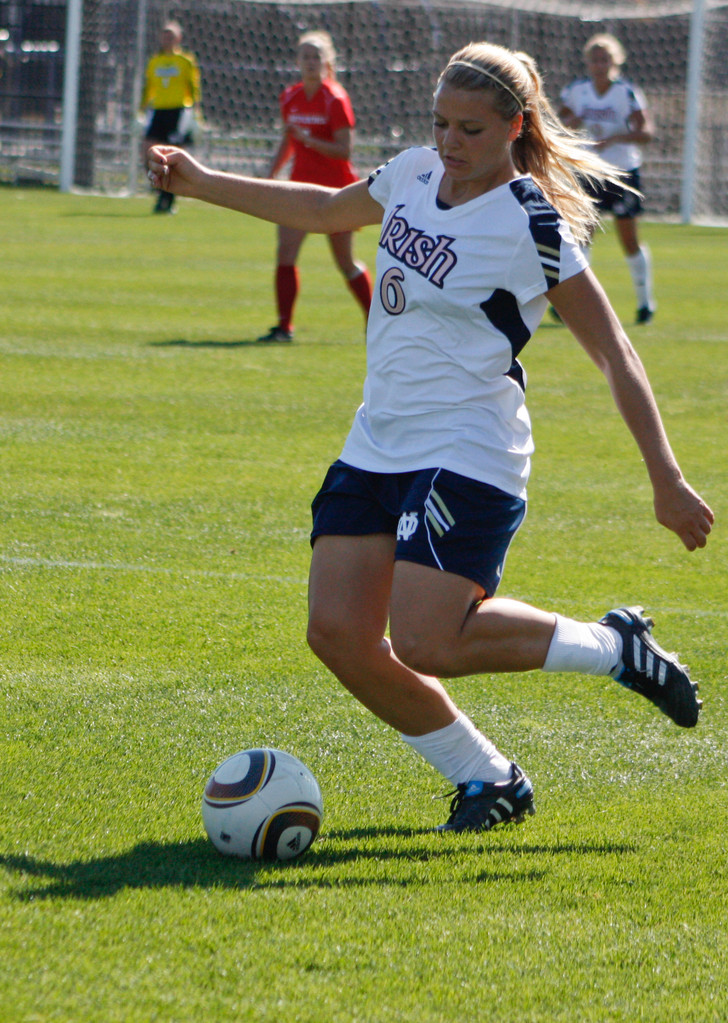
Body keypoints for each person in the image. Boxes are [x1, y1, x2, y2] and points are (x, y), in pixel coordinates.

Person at [148, 41, 713, 834]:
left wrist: (666, 476)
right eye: (441, 123)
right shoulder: (413, 171)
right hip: (378, 439)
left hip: (470, 446)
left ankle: (612, 647)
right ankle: (488, 778)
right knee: (338, 632)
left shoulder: (532, 223)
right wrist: (200, 183)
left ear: (515, 126)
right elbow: (319, 212)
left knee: (425, 637)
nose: (450, 143)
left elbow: (613, 349)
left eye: (471, 130)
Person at [257, 31, 372, 343]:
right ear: (297, 61)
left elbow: (344, 150)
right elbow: (288, 141)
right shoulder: (290, 96)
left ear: (327, 62)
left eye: (315, 56)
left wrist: (307, 139)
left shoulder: (335, 98)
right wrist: (271, 172)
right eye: (305, 56)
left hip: (338, 192)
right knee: (285, 252)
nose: (310, 62)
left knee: (345, 262)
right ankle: (284, 328)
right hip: (300, 188)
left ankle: (375, 322)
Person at [558, 33, 656, 323]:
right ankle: (575, 306)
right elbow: (558, 123)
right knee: (580, 238)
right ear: (587, 62)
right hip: (588, 171)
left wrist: (616, 138)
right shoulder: (576, 91)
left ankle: (644, 302)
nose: (600, 65)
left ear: (616, 62)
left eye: (606, 59)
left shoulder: (627, 92)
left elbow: (646, 132)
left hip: (622, 172)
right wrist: (570, 124)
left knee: (628, 240)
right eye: (595, 59)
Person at [141, 20, 201, 214]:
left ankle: (167, 199)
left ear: (178, 38)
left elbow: (193, 87)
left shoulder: (185, 60)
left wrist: (195, 114)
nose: (167, 38)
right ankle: (161, 191)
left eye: (171, 35)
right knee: (147, 149)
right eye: (165, 34)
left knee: (172, 156)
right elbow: (148, 87)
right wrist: (141, 110)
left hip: (178, 111)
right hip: (158, 110)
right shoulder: (154, 61)